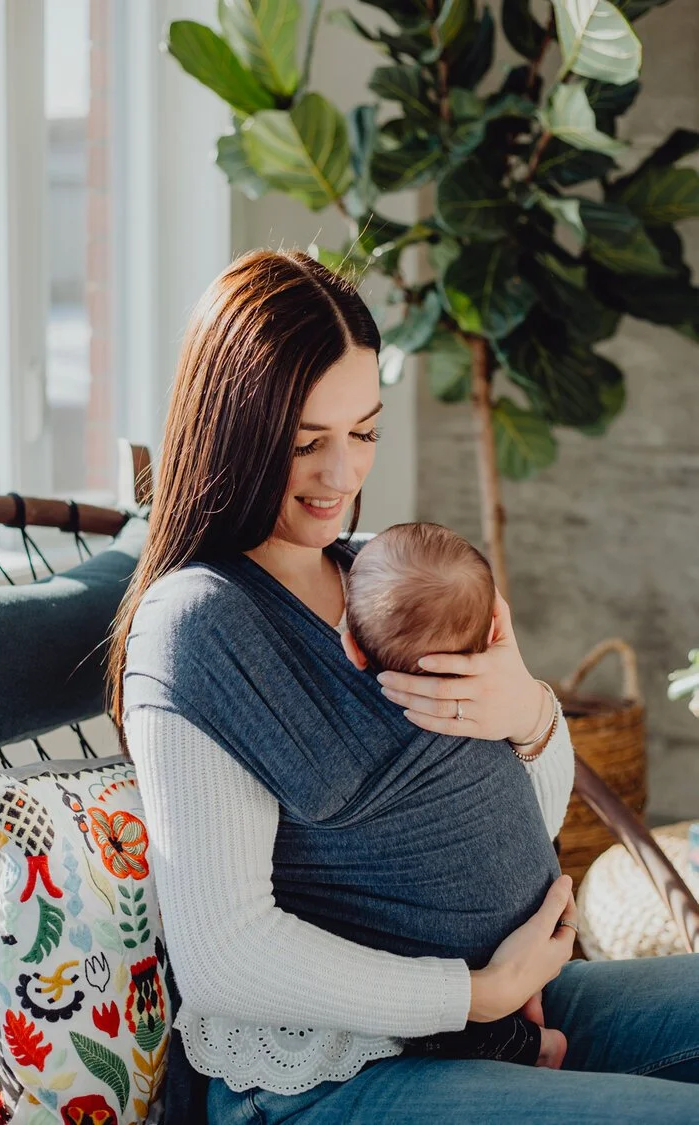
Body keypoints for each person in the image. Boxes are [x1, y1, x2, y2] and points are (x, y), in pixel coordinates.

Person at [109, 249, 699, 1124]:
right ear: (234, 428)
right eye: (308, 442)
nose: (343, 476)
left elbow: (519, 822)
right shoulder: (201, 622)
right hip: (329, 1071)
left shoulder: (387, 577)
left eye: (366, 431)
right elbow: (225, 953)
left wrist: (529, 715)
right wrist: (473, 993)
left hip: (506, 1005)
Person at [342, 520, 567, 1070]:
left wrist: (533, 713)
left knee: (448, 1019)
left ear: (351, 648)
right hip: (535, 916)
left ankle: (533, 1045)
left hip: (465, 962)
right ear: (496, 632)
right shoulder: (485, 710)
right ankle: (529, 1025)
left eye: (365, 433)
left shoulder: (353, 731)